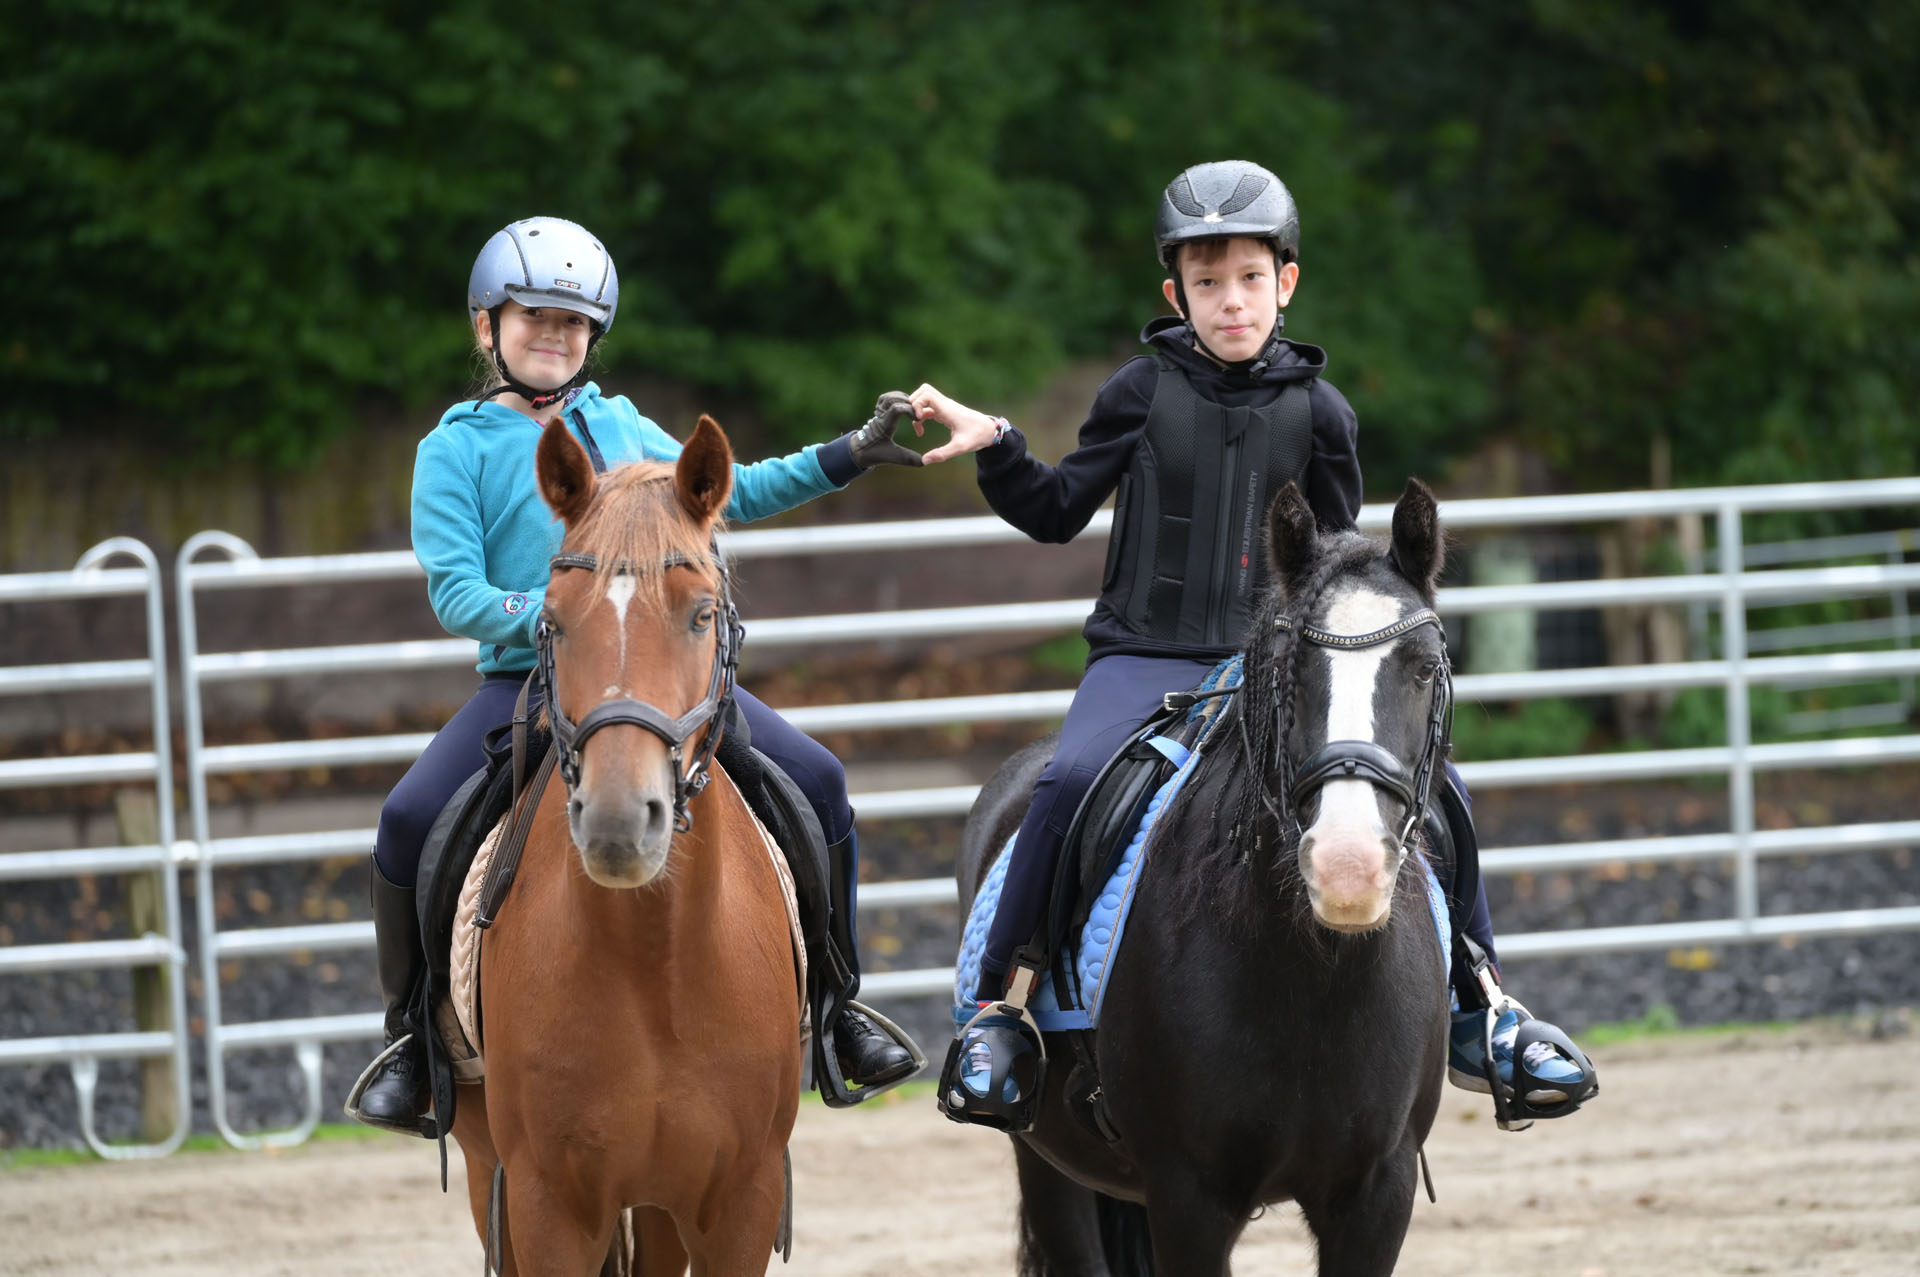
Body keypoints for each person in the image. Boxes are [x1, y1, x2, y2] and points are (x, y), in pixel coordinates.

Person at [909, 160, 1598, 1128]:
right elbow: (1057, 508)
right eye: (1205, 283)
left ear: (1286, 280)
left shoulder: (1323, 413)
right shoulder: (1137, 391)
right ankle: (1000, 1012)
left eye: (1247, 279)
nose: (1228, 302)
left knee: (1443, 788)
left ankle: (1483, 1008)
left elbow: (1334, 566)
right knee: (1065, 781)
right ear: (1174, 293)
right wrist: (997, 444)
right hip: (1143, 655)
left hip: (1277, 660)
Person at [353, 216, 923, 1135]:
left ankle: (839, 1010)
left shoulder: (619, 425)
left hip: (659, 683)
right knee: (408, 818)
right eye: (534, 316)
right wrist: (550, 615)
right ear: (485, 325)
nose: (554, 335)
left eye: (573, 323)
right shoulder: (451, 450)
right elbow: (457, 590)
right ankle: (413, 1041)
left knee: (818, 778)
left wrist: (845, 455)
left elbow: (734, 489)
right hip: (530, 682)